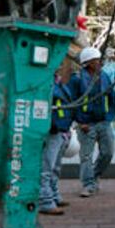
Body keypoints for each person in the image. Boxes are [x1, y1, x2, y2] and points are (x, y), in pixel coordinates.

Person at [69, 46, 115, 198]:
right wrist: (79, 122)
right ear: (88, 63)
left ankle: (94, 175)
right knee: (86, 156)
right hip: (85, 124)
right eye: (96, 60)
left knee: (108, 152)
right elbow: (71, 102)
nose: (100, 63)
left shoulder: (104, 76)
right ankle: (88, 185)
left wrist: (110, 116)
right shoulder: (77, 79)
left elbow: (112, 97)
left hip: (103, 121)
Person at [38, 66, 74, 215]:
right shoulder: (44, 82)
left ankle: (53, 195)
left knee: (55, 167)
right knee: (47, 167)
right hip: (53, 131)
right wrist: (52, 126)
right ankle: (45, 201)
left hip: (61, 131)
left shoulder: (57, 83)